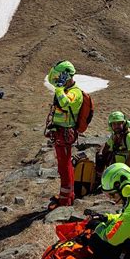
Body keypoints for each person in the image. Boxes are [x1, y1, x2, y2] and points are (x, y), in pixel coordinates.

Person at [45, 60, 84, 211]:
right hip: (59, 132)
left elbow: (65, 103)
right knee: (63, 165)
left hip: (65, 133)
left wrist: (59, 89)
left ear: (66, 75)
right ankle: (67, 195)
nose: (56, 79)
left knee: (65, 165)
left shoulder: (75, 93)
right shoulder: (66, 89)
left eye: (60, 75)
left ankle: (65, 200)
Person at [96, 111, 130, 184]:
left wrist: (122, 171)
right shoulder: (115, 136)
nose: (116, 126)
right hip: (119, 167)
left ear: (124, 123)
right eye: (114, 124)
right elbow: (106, 145)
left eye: (119, 123)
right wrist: (100, 154)